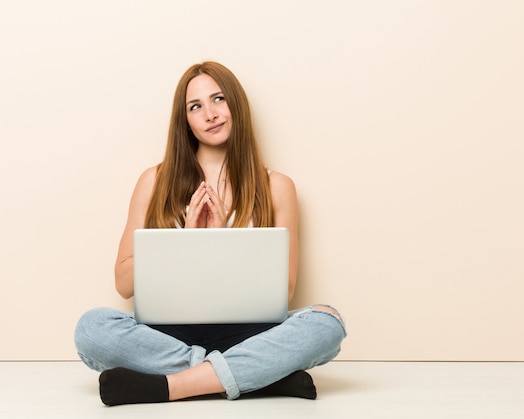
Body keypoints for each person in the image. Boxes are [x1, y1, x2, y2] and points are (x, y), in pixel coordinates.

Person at [74, 61, 346, 406]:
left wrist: (221, 245)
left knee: (328, 323)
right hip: (170, 333)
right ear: (184, 119)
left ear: (236, 104)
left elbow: (285, 290)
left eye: (219, 99)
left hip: (249, 332)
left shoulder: (277, 186)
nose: (210, 114)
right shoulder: (153, 181)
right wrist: (186, 245)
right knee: (91, 328)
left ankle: (172, 386)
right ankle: (255, 377)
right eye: (195, 106)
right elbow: (123, 283)